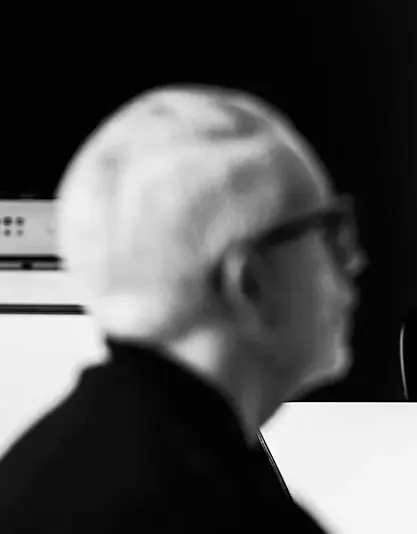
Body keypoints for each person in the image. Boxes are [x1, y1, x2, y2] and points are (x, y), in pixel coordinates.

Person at [0, 85, 364, 532]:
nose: (354, 261)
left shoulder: (54, 459)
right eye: (328, 232)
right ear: (249, 284)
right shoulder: (232, 512)